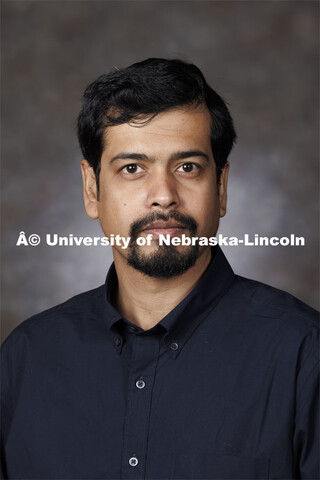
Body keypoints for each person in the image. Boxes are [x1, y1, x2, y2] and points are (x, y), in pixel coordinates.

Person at [1, 58, 318, 480]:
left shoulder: (304, 354)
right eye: (132, 169)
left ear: (220, 188)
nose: (163, 196)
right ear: (92, 189)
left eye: (187, 167)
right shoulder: (25, 358)